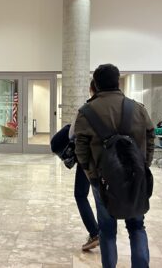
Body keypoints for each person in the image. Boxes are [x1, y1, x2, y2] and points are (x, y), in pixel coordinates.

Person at [74, 64, 154, 268]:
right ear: (117, 82)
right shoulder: (137, 108)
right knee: (137, 227)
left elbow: (80, 149)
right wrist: (143, 166)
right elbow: (150, 137)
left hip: (103, 180)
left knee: (107, 231)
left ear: (96, 84)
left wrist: (91, 175)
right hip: (135, 178)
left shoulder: (86, 112)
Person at [69, 79, 99, 251]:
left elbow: (72, 134)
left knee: (81, 195)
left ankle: (95, 232)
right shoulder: (129, 108)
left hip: (88, 161)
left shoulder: (85, 110)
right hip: (114, 162)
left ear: (91, 89)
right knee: (104, 198)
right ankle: (106, 234)